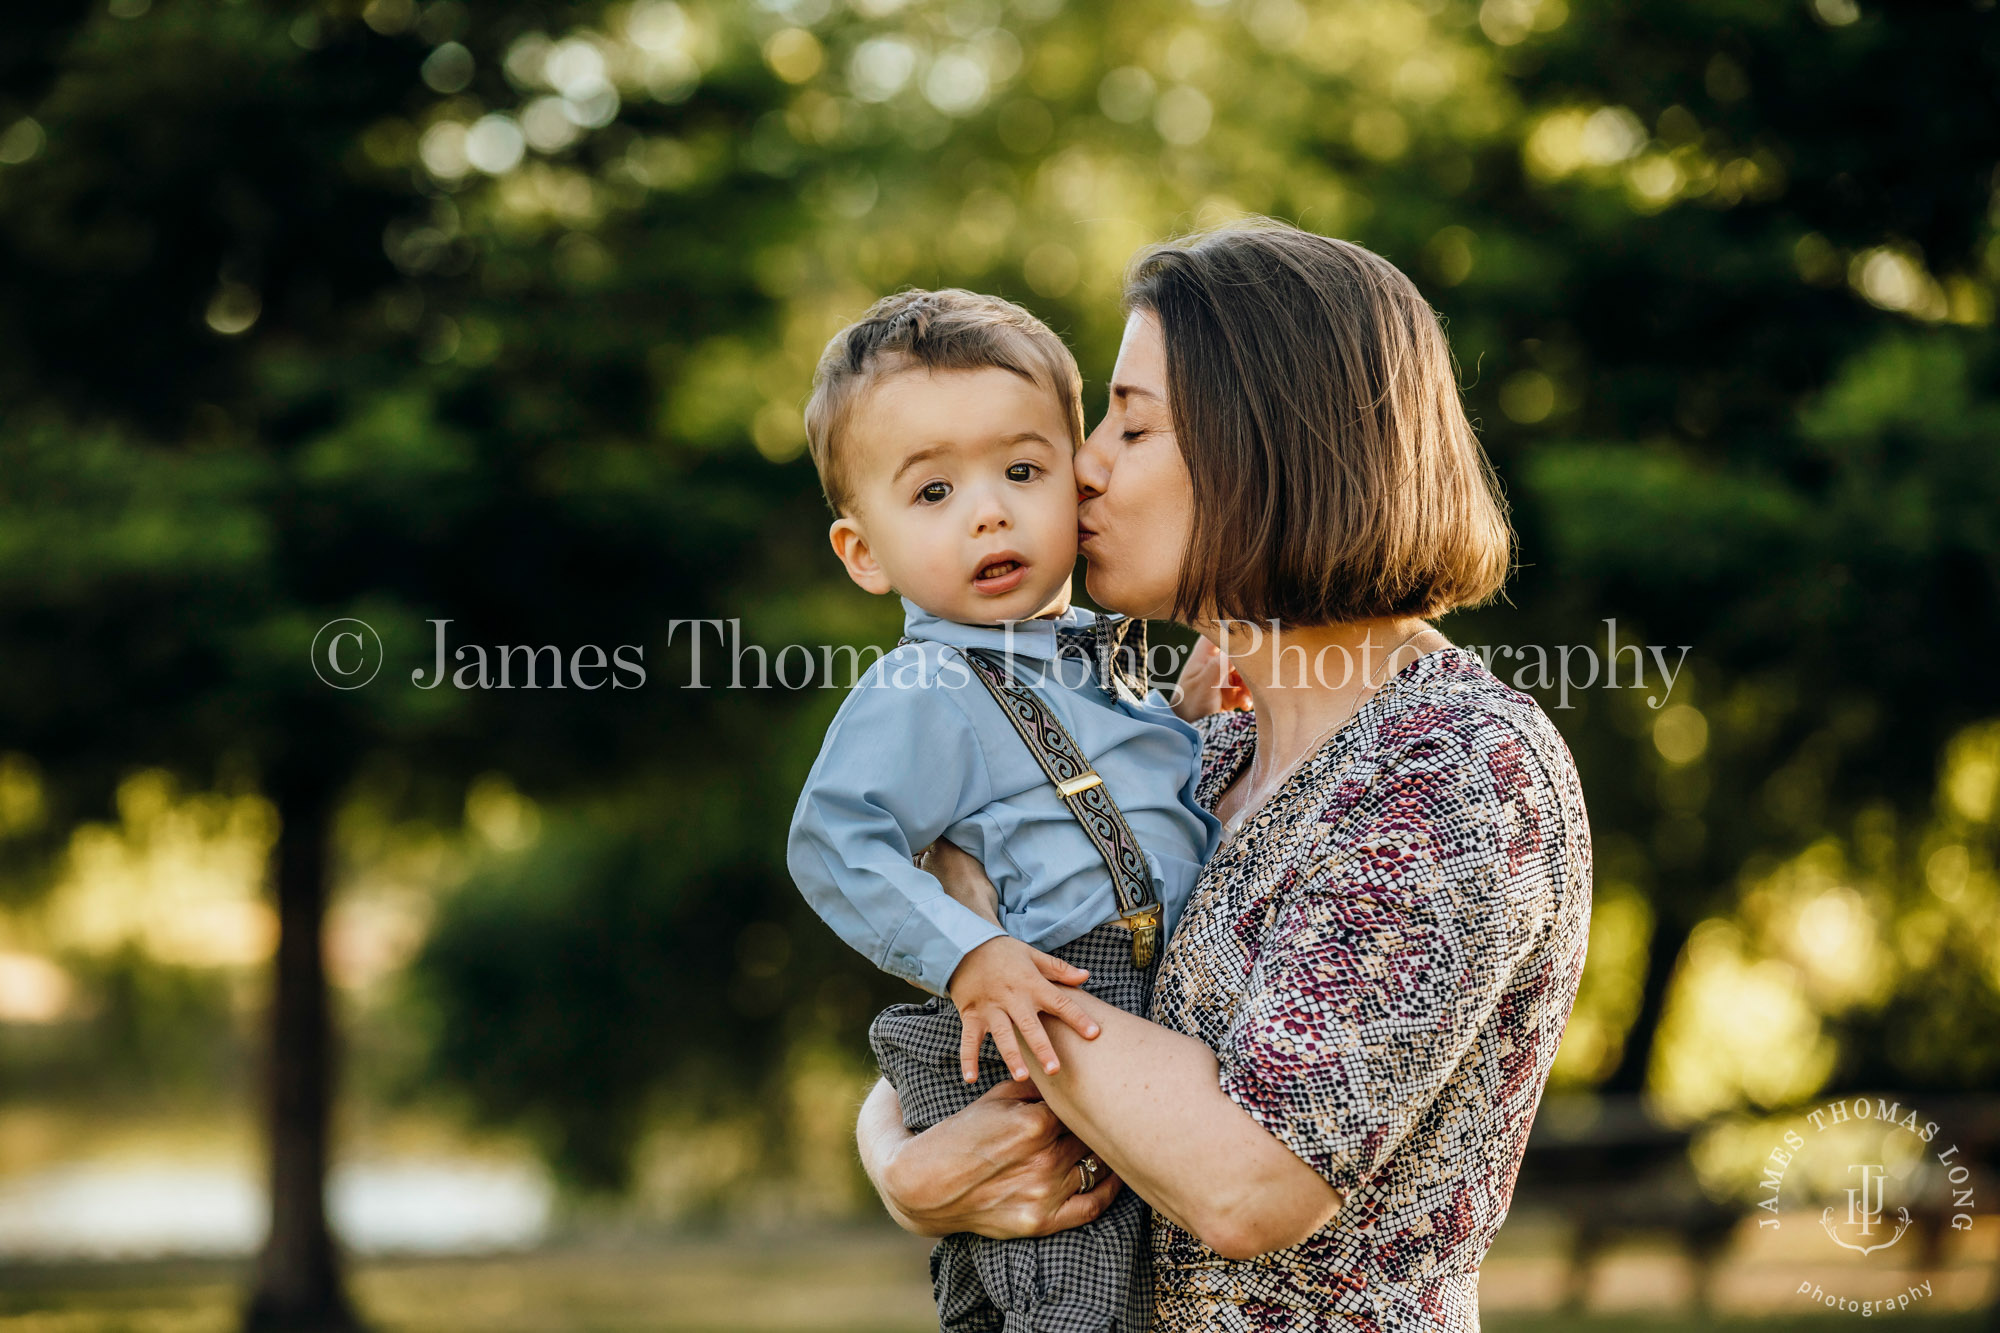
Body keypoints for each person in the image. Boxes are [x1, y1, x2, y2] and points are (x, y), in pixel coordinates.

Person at [857, 222, 1593, 1331]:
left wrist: (970, 911)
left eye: (1130, 422)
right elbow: (980, 1039)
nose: (1084, 462)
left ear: (1269, 449)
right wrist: (899, 1170)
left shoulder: (1453, 773)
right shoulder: (1206, 752)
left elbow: (1248, 1180)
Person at [786, 287, 1223, 1332]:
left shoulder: (1101, 671)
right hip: (1051, 1011)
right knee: (1065, 1292)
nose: (987, 510)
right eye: (931, 492)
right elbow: (834, 840)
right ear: (864, 553)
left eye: (1021, 472)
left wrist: (1201, 713)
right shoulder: (923, 688)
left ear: (1074, 482)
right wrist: (965, 954)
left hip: (1145, 1016)